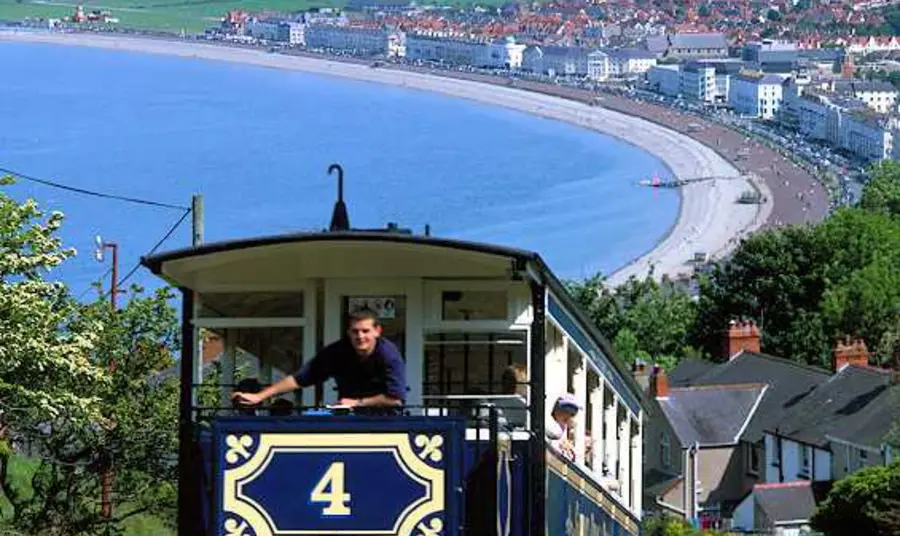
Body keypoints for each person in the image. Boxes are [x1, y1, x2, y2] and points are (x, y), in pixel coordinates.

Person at [231, 309, 407, 409]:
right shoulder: (338, 352)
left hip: (386, 421)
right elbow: (300, 378)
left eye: (365, 331)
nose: (360, 336)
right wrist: (259, 396)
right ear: (348, 332)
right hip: (350, 418)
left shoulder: (389, 355)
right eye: (355, 331)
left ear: (378, 331)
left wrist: (358, 402)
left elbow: (396, 398)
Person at [546, 393, 580, 460]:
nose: (568, 415)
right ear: (556, 411)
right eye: (566, 410)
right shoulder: (551, 426)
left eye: (573, 413)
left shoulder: (564, 429)